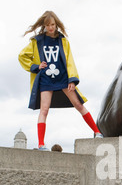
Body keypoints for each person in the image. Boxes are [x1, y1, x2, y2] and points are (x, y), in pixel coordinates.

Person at [19, 11, 103, 151]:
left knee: (78, 103)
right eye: (48, 25)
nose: (50, 27)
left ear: (56, 24)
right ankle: (41, 144)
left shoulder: (63, 41)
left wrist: (72, 79)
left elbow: (70, 60)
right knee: (44, 110)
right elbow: (22, 56)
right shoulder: (37, 41)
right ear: (44, 26)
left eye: (52, 24)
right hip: (46, 78)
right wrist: (35, 66)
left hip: (63, 77)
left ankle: (97, 132)